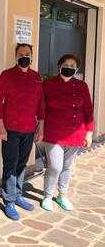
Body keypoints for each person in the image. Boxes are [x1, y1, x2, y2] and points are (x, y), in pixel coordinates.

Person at [0, 43, 44, 220]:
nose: (24, 56)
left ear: (32, 56)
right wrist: (0, 127)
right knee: (10, 164)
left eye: (27, 54)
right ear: (15, 56)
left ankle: (18, 194)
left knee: (22, 163)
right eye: (21, 54)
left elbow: (41, 105)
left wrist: (41, 127)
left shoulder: (36, 77)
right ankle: (9, 201)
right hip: (11, 129)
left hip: (29, 129)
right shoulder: (6, 76)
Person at [41, 54, 94, 211]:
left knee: (67, 167)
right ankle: (47, 196)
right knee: (55, 166)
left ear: (76, 69)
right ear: (59, 66)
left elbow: (88, 111)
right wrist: (40, 128)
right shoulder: (48, 84)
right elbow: (42, 108)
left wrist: (89, 132)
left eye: (73, 66)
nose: (69, 68)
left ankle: (62, 195)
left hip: (76, 132)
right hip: (54, 132)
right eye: (66, 64)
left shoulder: (82, 86)